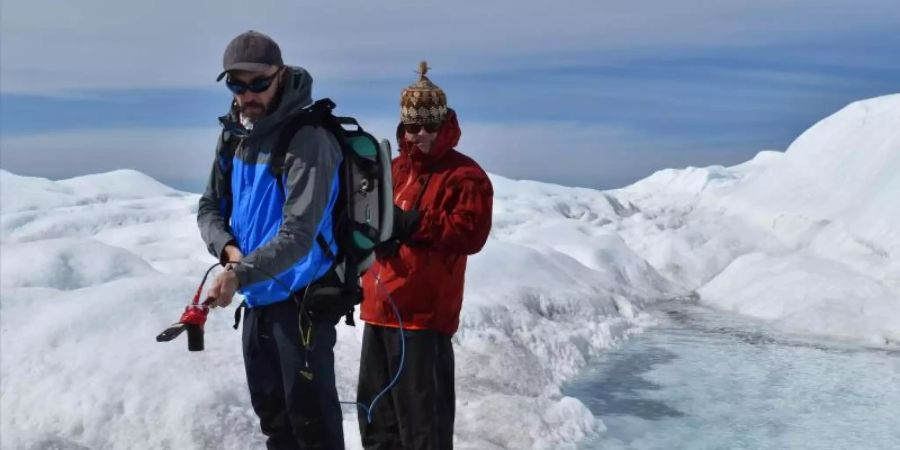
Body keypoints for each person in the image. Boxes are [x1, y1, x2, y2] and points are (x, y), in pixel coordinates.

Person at [197, 30, 345, 450]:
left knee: (313, 430)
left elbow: (299, 234)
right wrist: (227, 250)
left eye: (258, 83)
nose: (247, 95)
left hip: (301, 306)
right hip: (257, 302)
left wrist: (238, 274)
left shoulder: (309, 139)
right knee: (276, 427)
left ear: (280, 76)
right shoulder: (235, 137)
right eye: (236, 85)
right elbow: (209, 207)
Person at [356, 62, 494, 449]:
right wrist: (374, 237)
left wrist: (413, 223)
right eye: (413, 127)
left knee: (422, 431)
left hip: (424, 320)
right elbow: (369, 215)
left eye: (429, 127)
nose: (421, 135)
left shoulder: (465, 176)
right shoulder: (392, 169)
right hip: (379, 311)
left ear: (443, 123)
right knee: (377, 423)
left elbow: (471, 232)